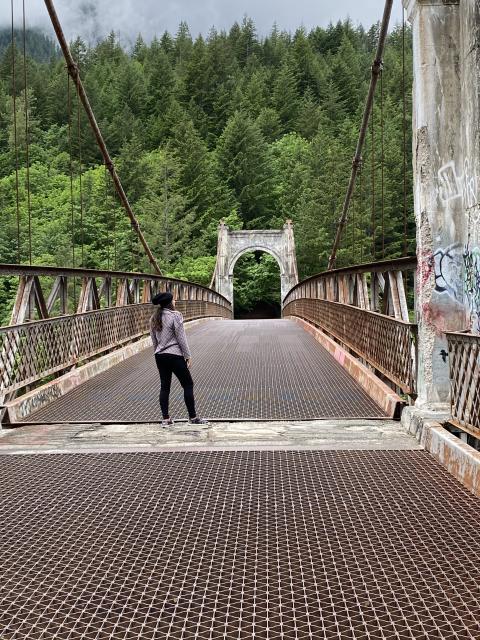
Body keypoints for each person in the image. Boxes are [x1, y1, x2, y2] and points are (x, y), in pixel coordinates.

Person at [150, 291, 208, 426]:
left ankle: (166, 419)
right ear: (170, 303)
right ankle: (193, 418)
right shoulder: (175, 316)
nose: (175, 302)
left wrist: (158, 354)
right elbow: (181, 338)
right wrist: (187, 356)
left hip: (160, 356)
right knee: (188, 384)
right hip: (175, 355)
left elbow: (154, 341)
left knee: (165, 387)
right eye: (174, 300)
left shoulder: (154, 318)